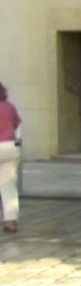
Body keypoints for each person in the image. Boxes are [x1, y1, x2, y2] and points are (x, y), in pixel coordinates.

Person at [0, 80, 21, 234]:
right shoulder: (10, 106)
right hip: (10, 147)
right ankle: (10, 221)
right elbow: (16, 124)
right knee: (8, 186)